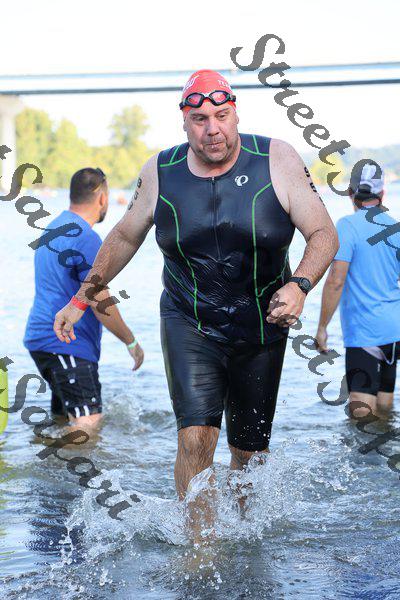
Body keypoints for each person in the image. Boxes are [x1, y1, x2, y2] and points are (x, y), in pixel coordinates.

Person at [53, 70, 338, 498]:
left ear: (235, 115)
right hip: (189, 321)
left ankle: (246, 533)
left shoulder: (277, 159)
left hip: (262, 324)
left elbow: (324, 234)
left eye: (221, 116)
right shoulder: (161, 170)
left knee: (249, 453)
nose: (212, 129)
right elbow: (125, 236)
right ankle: (200, 538)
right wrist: (81, 299)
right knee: (194, 439)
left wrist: (299, 285)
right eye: (200, 120)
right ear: (184, 123)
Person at [24, 167, 144, 431]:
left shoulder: (53, 228)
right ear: (102, 198)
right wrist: (130, 341)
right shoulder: (86, 238)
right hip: (66, 342)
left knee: (62, 421)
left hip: (42, 340)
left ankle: (45, 458)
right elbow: (99, 299)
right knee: (87, 425)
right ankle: (79, 461)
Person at [316, 163, 400, 418]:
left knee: (361, 419)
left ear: (351, 193)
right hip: (394, 332)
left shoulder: (347, 225)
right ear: (382, 194)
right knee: (384, 412)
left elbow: (336, 280)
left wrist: (322, 328)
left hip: (365, 333)